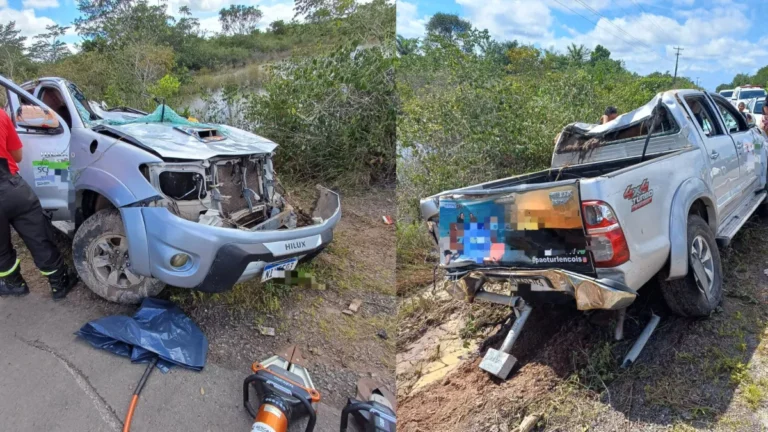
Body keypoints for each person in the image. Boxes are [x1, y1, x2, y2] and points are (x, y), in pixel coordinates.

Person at [0, 108, 76, 299]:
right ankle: (60, 284)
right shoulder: (0, 114)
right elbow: (17, 156)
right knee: (38, 236)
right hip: (11, 187)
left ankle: (14, 284)